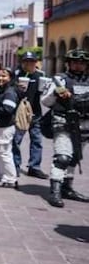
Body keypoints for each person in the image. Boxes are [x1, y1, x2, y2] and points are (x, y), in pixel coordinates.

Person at [41, 49, 89, 207]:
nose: (78, 65)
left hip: (84, 125)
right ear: (69, 63)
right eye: (75, 62)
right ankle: (55, 191)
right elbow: (45, 101)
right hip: (63, 122)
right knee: (63, 157)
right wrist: (56, 93)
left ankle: (67, 188)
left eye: (82, 63)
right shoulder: (59, 80)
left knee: (74, 157)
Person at [13, 51, 48, 179]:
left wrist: (46, 89)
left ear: (35, 63)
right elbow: (10, 91)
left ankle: (34, 167)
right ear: (22, 63)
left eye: (31, 61)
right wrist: (17, 87)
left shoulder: (41, 75)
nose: (28, 64)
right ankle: (15, 166)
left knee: (37, 141)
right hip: (20, 113)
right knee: (16, 141)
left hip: (36, 113)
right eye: (26, 61)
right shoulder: (16, 75)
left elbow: (45, 94)